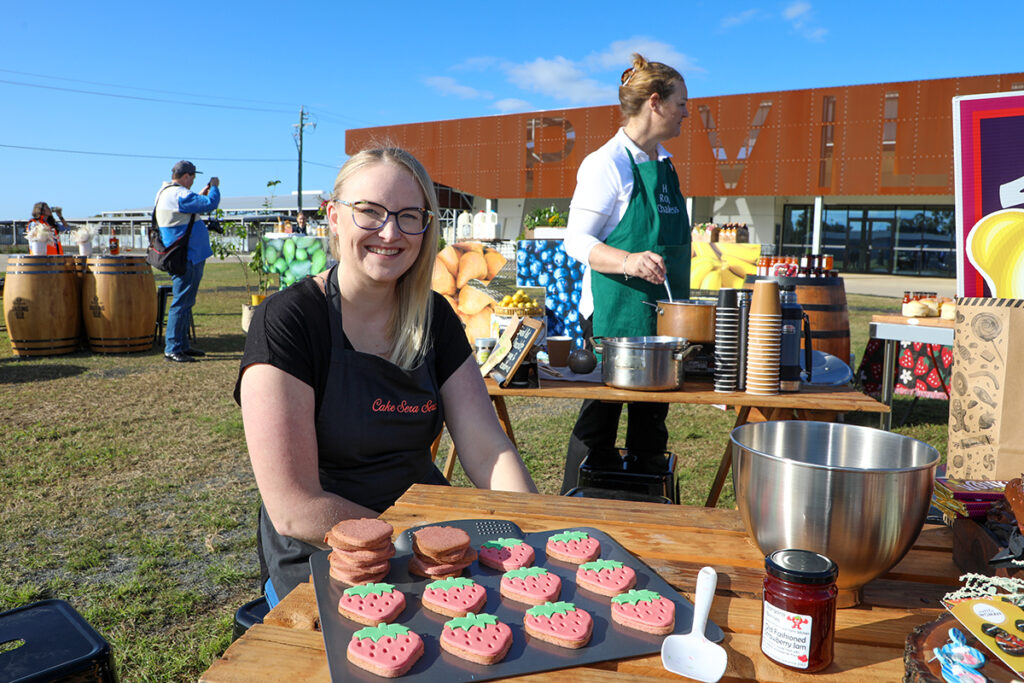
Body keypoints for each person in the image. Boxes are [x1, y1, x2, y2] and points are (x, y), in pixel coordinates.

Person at [235, 146, 537, 605]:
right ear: (334, 217)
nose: (390, 232)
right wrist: (416, 546)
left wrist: (531, 528)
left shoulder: (434, 316)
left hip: (430, 544)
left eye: (408, 215)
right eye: (369, 213)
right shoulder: (289, 320)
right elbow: (295, 509)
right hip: (330, 557)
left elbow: (486, 448)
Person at [560, 53, 691, 493]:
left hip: (662, 315)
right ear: (655, 103)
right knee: (601, 415)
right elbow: (576, 240)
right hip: (614, 314)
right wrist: (630, 260)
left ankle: (645, 503)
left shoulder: (667, 165)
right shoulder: (606, 164)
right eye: (681, 104)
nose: (685, 113)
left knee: (653, 420)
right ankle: (574, 504)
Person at [154, 160, 220, 363]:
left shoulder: (167, 192)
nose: (193, 180)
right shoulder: (179, 194)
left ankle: (181, 345)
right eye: (192, 176)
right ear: (186, 176)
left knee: (185, 302)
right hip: (187, 256)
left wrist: (202, 192)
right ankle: (173, 347)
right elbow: (210, 204)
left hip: (183, 255)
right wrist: (215, 187)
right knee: (181, 303)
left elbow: (191, 204)